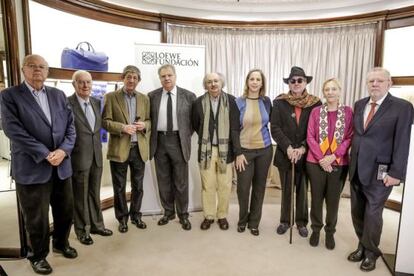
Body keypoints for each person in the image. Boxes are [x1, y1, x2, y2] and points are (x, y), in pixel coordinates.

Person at [1, 54, 77, 275]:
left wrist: (63, 150)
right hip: (32, 167)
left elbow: (71, 128)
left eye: (42, 67)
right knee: (37, 217)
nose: (37, 70)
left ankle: (61, 244)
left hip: (61, 165)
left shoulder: (58, 94)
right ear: (23, 69)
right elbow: (13, 130)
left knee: (65, 211)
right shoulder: (10, 96)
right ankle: (38, 256)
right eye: (32, 66)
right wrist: (45, 154)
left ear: (47, 71)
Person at [347, 67, 413, 272]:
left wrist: (396, 173)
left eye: (379, 81)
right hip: (357, 167)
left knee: (373, 213)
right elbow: (359, 135)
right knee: (356, 211)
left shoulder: (402, 107)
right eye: (371, 81)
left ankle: (371, 253)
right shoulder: (359, 105)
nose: (375, 84)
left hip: (381, 171)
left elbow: (403, 141)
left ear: (389, 83)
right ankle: (362, 244)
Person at [271, 66, 321, 238]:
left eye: (300, 80)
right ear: (289, 83)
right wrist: (288, 148)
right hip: (286, 154)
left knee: (302, 191)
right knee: (286, 190)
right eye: (293, 81)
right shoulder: (279, 102)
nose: (296, 83)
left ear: (305, 82)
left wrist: (302, 148)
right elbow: (275, 128)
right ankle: (285, 221)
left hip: (307, 154)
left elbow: (316, 130)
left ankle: (301, 222)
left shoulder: (316, 103)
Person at [102, 65, 151, 233]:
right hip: (119, 149)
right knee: (119, 187)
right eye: (128, 77)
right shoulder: (110, 97)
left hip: (139, 149)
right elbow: (105, 122)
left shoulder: (144, 99)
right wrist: (123, 128)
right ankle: (122, 219)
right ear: (123, 78)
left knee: (138, 186)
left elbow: (150, 121)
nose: (131, 80)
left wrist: (144, 125)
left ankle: (136, 215)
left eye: (135, 78)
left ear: (138, 81)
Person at [306, 78, 353, 249]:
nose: (330, 92)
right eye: (327, 89)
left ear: (339, 91)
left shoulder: (348, 112)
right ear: (323, 92)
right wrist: (321, 158)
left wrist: (333, 156)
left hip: (338, 163)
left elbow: (349, 137)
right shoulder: (316, 112)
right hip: (315, 162)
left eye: (334, 89)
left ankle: (330, 232)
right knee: (316, 199)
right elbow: (310, 136)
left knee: (333, 201)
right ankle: (316, 230)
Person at [148, 64, 196, 231]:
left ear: (175, 76)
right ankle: (168, 212)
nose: (166, 78)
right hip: (159, 141)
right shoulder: (152, 96)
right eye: (163, 76)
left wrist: (183, 135)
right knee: (163, 180)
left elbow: (194, 122)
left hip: (178, 141)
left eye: (169, 75)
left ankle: (183, 214)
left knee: (181, 181)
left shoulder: (189, 96)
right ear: (160, 78)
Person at [68, 70, 113, 245]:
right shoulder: (67, 103)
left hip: (96, 155)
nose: (85, 85)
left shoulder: (96, 102)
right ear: (74, 85)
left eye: (88, 82)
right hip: (78, 156)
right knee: (80, 195)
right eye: (81, 82)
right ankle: (82, 230)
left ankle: (97, 225)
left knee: (95, 193)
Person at [192, 72, 240, 230]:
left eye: (216, 81)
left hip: (226, 150)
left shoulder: (232, 101)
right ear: (205, 85)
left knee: (225, 185)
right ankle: (209, 216)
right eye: (209, 82)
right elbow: (196, 124)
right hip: (207, 151)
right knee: (208, 185)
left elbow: (235, 126)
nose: (213, 84)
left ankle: (222, 216)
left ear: (221, 83)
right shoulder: (198, 102)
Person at [234, 69, 273, 236]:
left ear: (262, 83)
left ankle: (254, 222)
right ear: (247, 81)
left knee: (259, 188)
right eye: (252, 79)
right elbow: (234, 129)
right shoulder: (238, 102)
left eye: (258, 79)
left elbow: (270, 123)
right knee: (243, 189)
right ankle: (242, 220)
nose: (255, 82)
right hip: (244, 152)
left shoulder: (266, 101)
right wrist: (237, 153)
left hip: (264, 150)